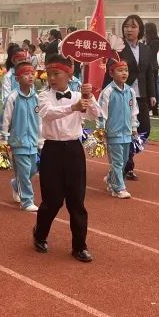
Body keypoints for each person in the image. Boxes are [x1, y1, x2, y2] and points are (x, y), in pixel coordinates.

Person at [33, 56, 99, 262]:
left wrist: (90, 98)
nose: (51, 78)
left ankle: (80, 246)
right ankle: (40, 234)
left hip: (74, 151)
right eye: (49, 74)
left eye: (56, 74)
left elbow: (96, 116)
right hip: (52, 150)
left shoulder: (80, 95)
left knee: (76, 202)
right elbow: (48, 114)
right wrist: (73, 107)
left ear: (69, 75)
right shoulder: (43, 96)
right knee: (52, 201)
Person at [105, 15, 156, 181]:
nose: (129, 29)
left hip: (140, 96)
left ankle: (126, 158)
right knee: (123, 132)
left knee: (144, 131)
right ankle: (126, 166)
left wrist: (152, 94)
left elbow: (149, 73)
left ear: (140, 29)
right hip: (121, 95)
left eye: (133, 26)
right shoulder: (118, 49)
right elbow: (109, 72)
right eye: (126, 26)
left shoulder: (146, 49)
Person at [0, 62, 41, 211]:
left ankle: (15, 184)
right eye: (26, 74)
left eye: (32, 73)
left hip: (33, 142)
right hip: (18, 142)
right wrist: (4, 138)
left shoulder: (36, 97)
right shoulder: (13, 98)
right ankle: (27, 201)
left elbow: (39, 120)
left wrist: (40, 139)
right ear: (17, 78)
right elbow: (5, 118)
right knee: (24, 172)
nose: (30, 76)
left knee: (32, 170)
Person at [97, 60, 138, 198]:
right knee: (117, 161)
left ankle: (110, 179)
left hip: (126, 132)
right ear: (111, 73)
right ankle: (119, 188)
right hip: (113, 132)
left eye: (126, 70)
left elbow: (133, 111)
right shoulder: (107, 92)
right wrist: (101, 131)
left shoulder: (130, 91)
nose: (124, 73)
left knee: (124, 161)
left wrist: (134, 127)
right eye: (120, 70)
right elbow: (101, 113)